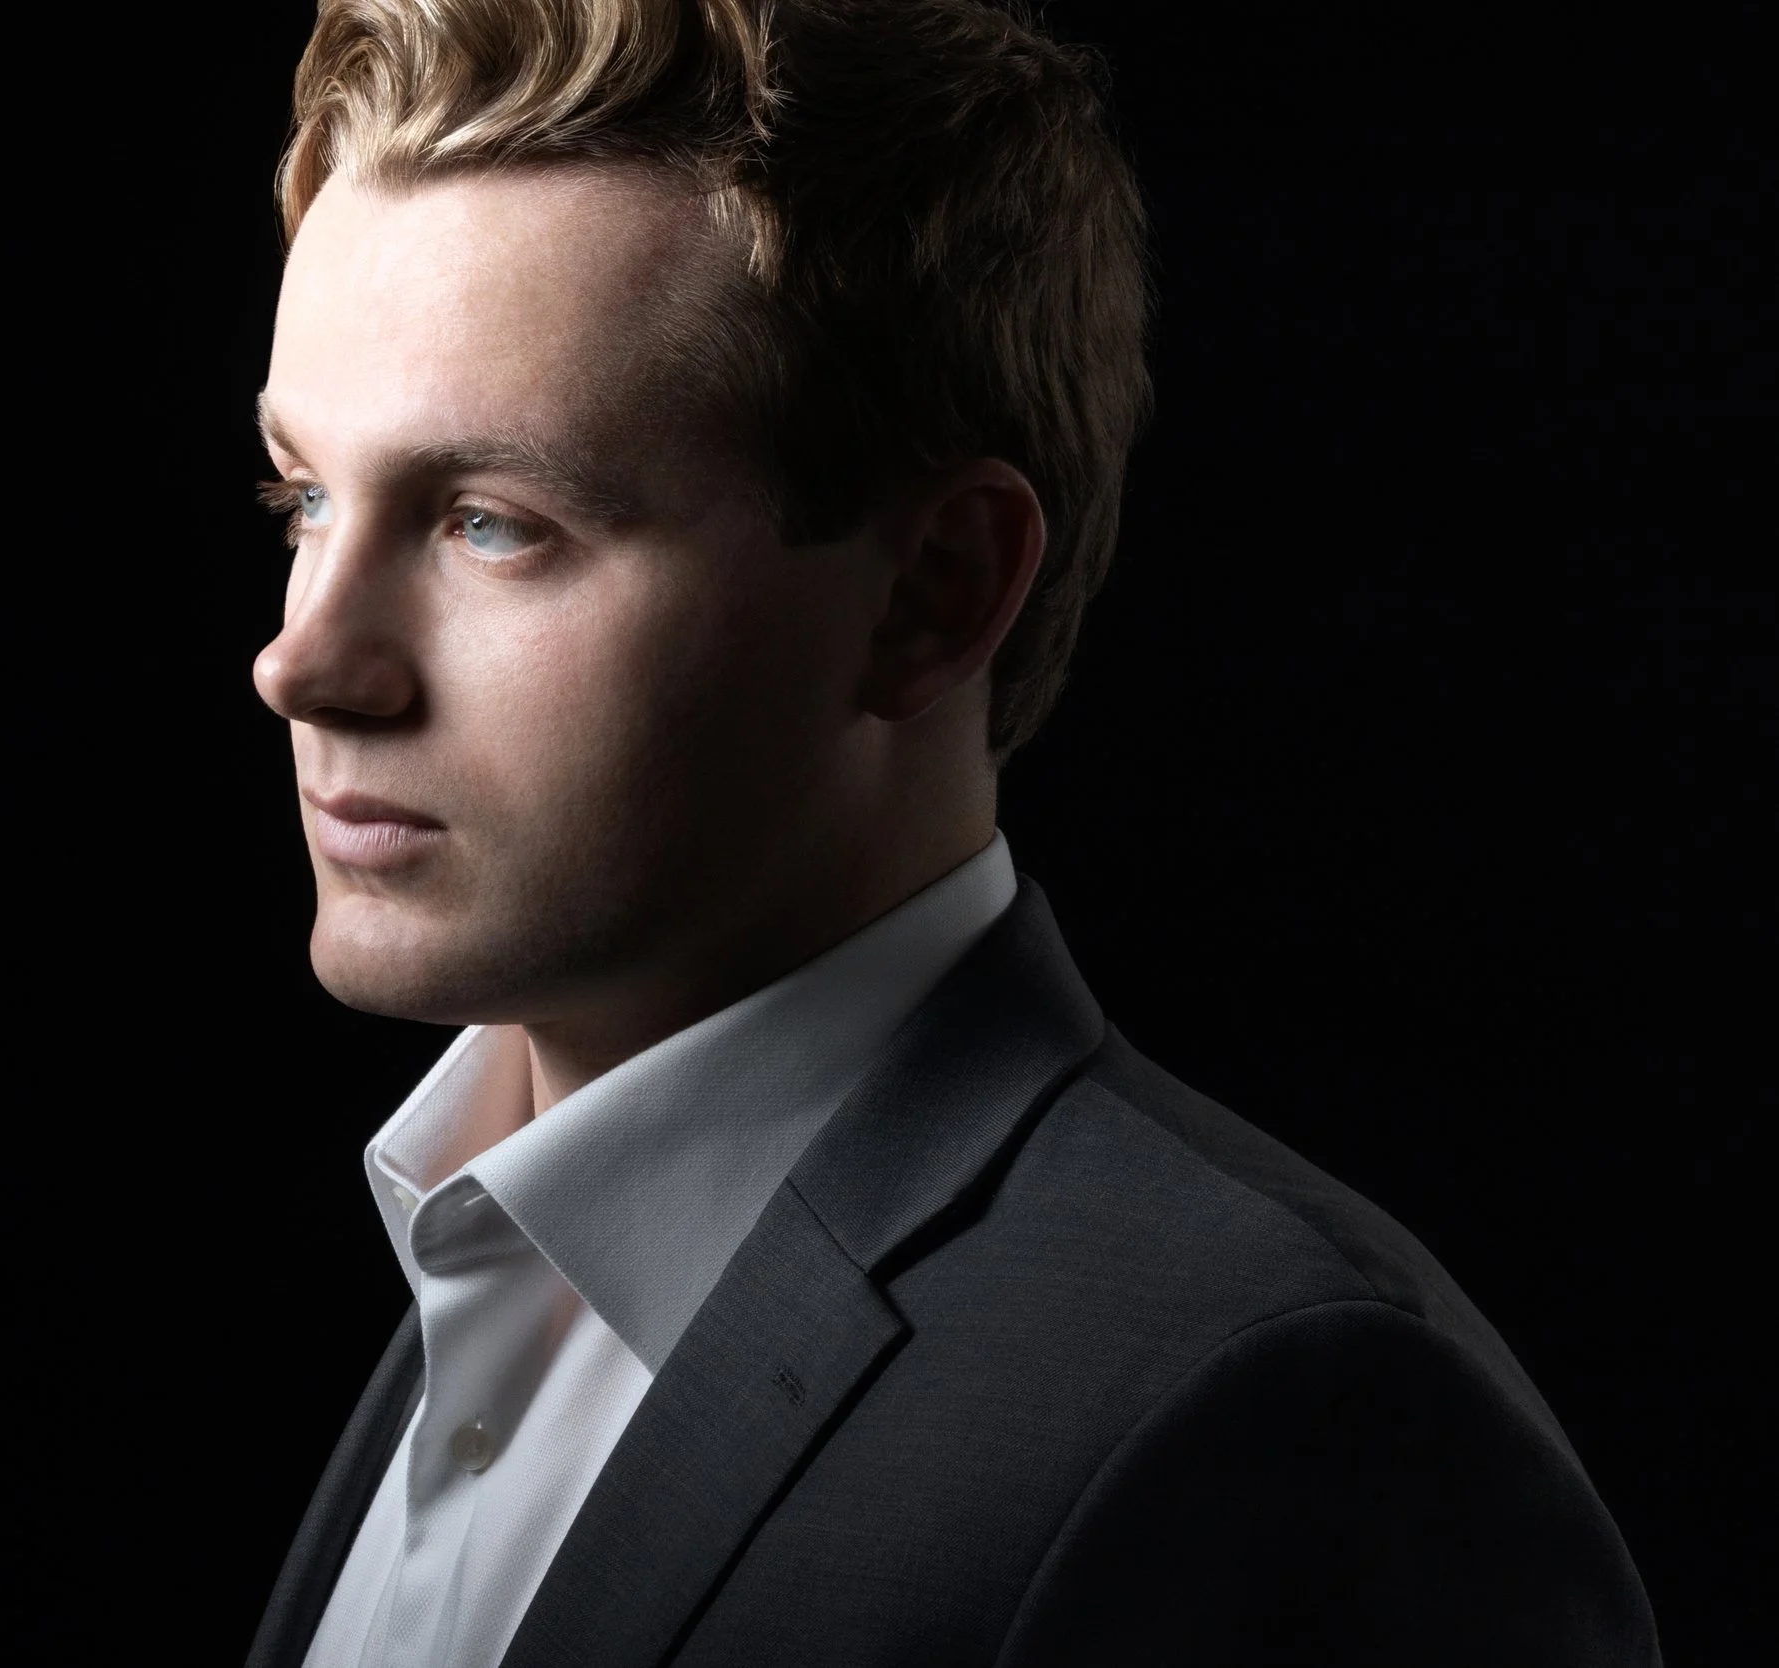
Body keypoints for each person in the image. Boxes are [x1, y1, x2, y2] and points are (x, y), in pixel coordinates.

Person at [242, 3, 1658, 1663]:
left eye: (494, 524)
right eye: (303, 498)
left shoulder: (1290, 1420)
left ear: (936, 592)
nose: (301, 660)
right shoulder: (485, 1262)